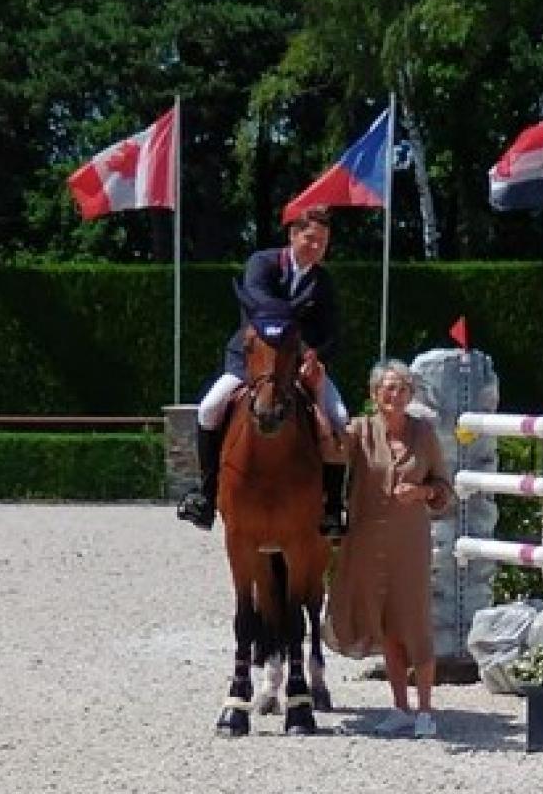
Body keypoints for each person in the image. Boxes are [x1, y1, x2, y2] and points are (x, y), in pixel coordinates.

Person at [177, 206, 349, 535]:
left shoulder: (322, 280)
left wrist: (315, 356)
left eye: (323, 242)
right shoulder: (262, 264)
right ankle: (206, 493)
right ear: (293, 235)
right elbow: (266, 314)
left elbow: (332, 332)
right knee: (210, 408)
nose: (316, 248)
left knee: (341, 418)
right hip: (251, 362)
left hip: (301, 368)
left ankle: (332, 507)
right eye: (311, 239)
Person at [321, 359, 453, 739]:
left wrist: (423, 492)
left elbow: (444, 488)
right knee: (386, 628)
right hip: (366, 544)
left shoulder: (424, 434)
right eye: (388, 388)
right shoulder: (362, 431)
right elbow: (329, 448)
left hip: (409, 547)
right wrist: (316, 394)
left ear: (411, 394)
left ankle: (426, 709)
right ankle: (399, 706)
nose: (395, 395)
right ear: (374, 395)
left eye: (402, 388)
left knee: (414, 624)